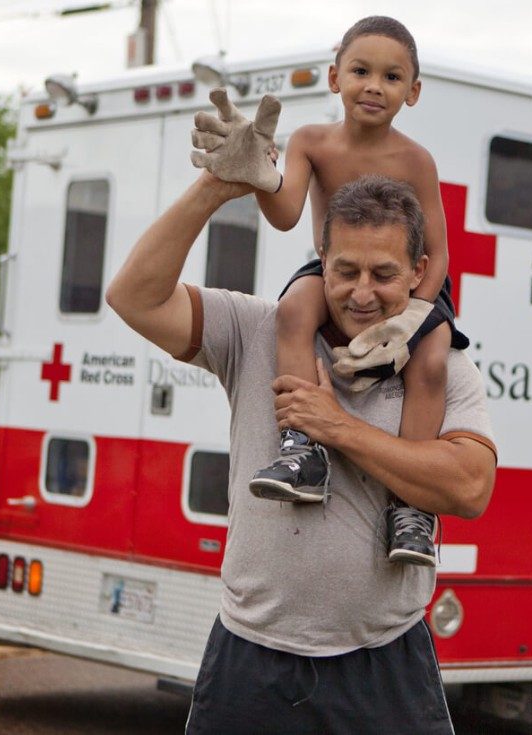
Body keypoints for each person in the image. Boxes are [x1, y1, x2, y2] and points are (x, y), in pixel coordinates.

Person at [105, 172, 496, 733]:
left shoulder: (444, 365)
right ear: (321, 260)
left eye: (384, 274)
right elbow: (134, 297)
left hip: (385, 661)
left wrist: (338, 428)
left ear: (418, 270)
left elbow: (470, 487)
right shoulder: (256, 330)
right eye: (345, 271)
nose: (362, 293)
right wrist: (214, 187)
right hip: (251, 658)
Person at [189, 15, 459, 567]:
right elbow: (285, 214)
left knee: (432, 360)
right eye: (361, 71)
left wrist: (412, 315)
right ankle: (303, 451)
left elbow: (439, 249)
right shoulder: (311, 141)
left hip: (408, 284)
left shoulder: (416, 160)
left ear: (413, 92)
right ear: (335, 78)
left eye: (391, 76)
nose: (373, 86)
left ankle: (409, 507)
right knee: (292, 312)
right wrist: (260, 175)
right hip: (333, 270)